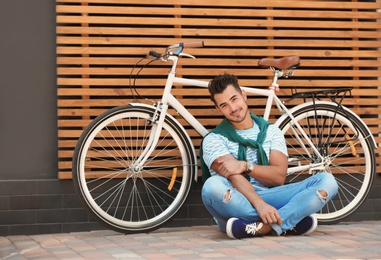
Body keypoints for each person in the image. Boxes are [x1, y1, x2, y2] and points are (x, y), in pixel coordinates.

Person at [200, 73, 339, 239]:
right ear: (218, 109)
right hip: (236, 200)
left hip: (272, 197)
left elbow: (278, 178)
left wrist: (246, 165)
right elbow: (233, 175)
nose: (233, 108)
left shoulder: (271, 132)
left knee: (327, 181)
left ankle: (262, 227)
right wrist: (260, 206)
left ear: (244, 95)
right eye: (224, 105)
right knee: (211, 187)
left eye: (234, 99)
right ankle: (288, 220)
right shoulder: (213, 139)